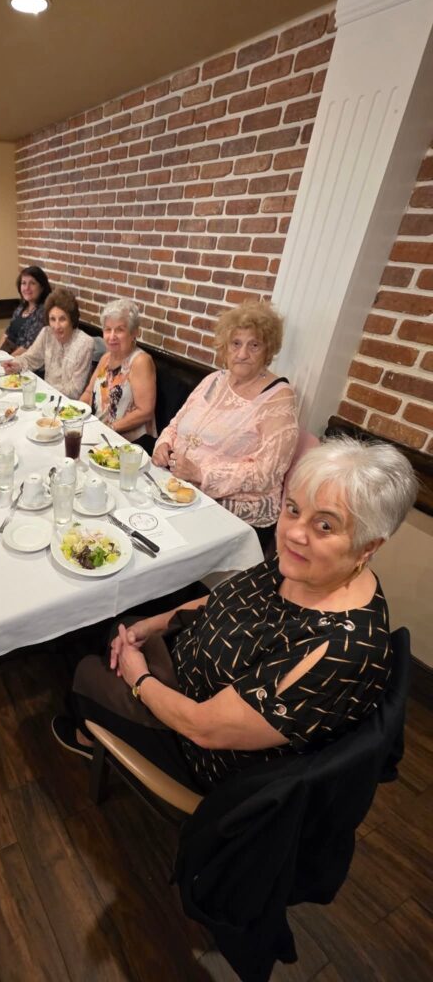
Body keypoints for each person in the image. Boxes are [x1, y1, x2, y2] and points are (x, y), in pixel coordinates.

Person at [52, 437, 418, 794]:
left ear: (369, 545)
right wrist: (153, 624)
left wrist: (139, 679)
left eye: (325, 525)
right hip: (189, 670)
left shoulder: (339, 651)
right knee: (125, 628)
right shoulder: (306, 568)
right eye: (293, 509)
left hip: (203, 752)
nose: (294, 533)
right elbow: (224, 599)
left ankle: (86, 733)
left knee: (87, 669)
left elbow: (204, 728)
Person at [153, 301, 298, 547]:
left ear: (268, 350)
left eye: (254, 345)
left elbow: (268, 472)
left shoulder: (279, 398)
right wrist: (163, 444)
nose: (242, 354)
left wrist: (201, 473)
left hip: (230, 512)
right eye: (236, 343)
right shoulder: (214, 379)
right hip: (179, 490)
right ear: (225, 347)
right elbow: (176, 423)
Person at [78, 298, 157, 442]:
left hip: (127, 442)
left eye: (120, 329)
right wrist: (75, 414)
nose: (112, 336)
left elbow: (145, 411)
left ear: (134, 333)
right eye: (108, 329)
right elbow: (88, 392)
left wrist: (110, 428)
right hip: (99, 432)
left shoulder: (140, 361)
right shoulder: (106, 358)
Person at [2, 287, 94, 399]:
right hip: (45, 397)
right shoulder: (47, 333)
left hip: (68, 404)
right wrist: (16, 365)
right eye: (52, 319)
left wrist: (40, 387)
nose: (56, 326)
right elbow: (31, 359)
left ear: (72, 319)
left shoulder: (85, 343)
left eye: (62, 319)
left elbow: (75, 391)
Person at [0, 265, 51, 355]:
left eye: (32, 283)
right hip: (6, 357)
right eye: (24, 283)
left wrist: (7, 360)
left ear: (42, 287)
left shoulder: (42, 312)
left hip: (23, 360)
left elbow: (28, 346)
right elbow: (7, 333)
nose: (27, 288)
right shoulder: (21, 307)